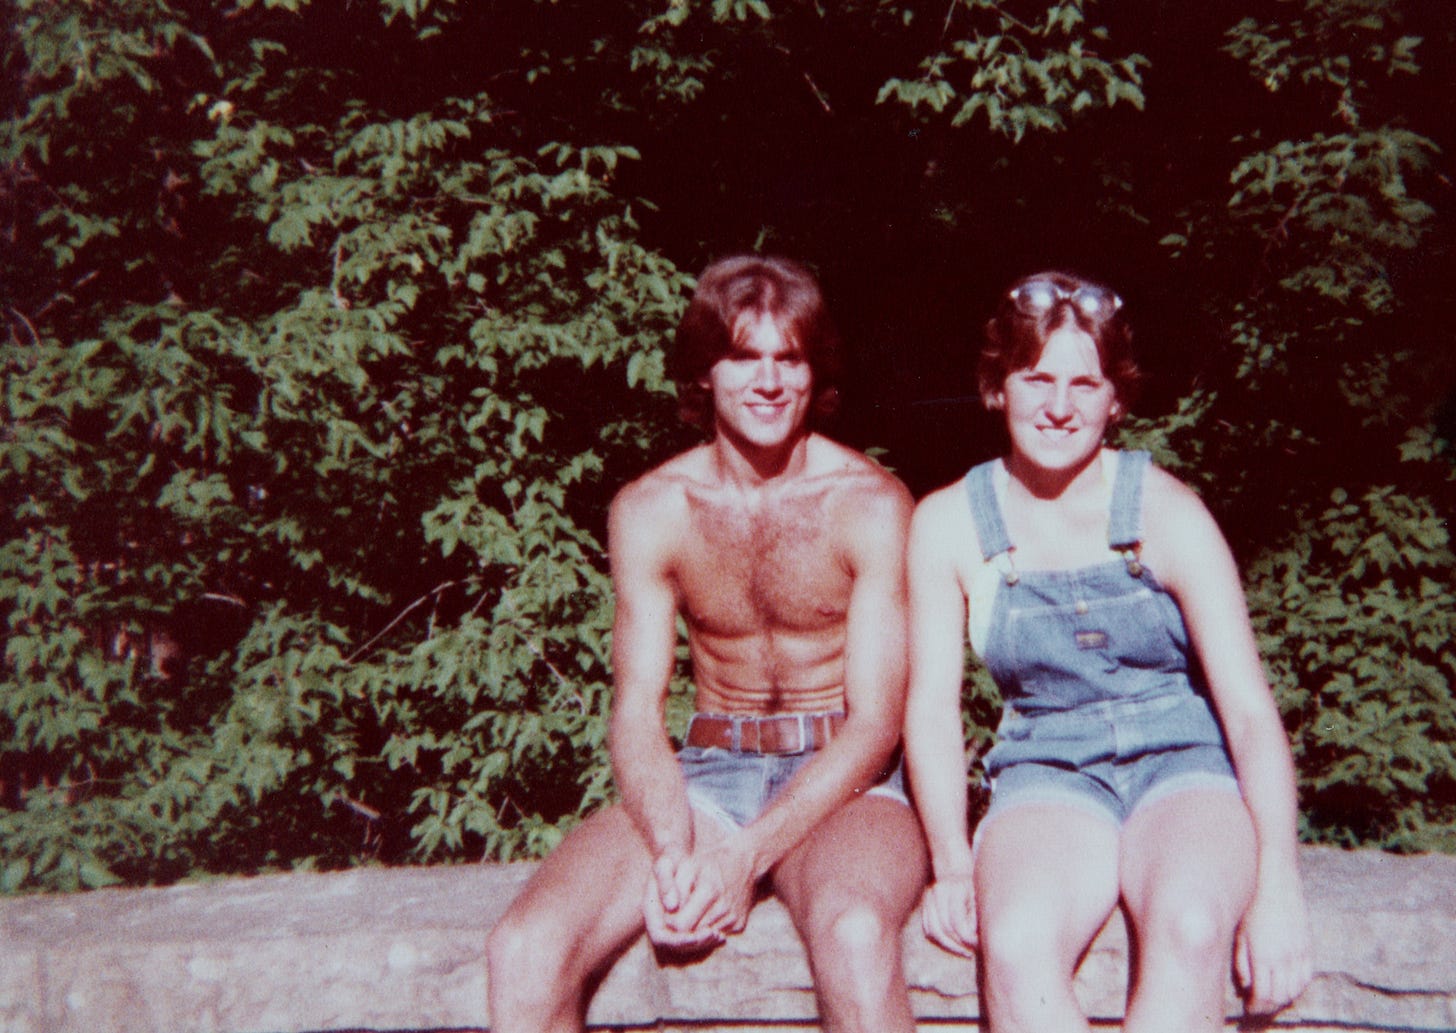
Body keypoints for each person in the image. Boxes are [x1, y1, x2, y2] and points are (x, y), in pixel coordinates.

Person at [486, 254, 928, 1033]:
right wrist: (672, 850)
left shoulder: (869, 502)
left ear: (814, 371)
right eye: (743, 358)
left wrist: (745, 856)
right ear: (704, 374)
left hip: (845, 783)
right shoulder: (652, 508)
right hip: (707, 772)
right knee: (525, 947)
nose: (768, 382)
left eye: (789, 359)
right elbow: (636, 711)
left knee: (856, 936)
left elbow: (875, 725)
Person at [904, 271, 1313, 1032]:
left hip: (1182, 762)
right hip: (1047, 766)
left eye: (1084, 383)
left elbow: (1250, 714)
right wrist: (952, 862)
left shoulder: (1167, 509)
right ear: (996, 386)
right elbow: (929, 710)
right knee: (1019, 942)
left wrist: (1278, 887)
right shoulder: (949, 522)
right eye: (1036, 379)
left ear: (1115, 399)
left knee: (1191, 924)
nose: (1059, 406)